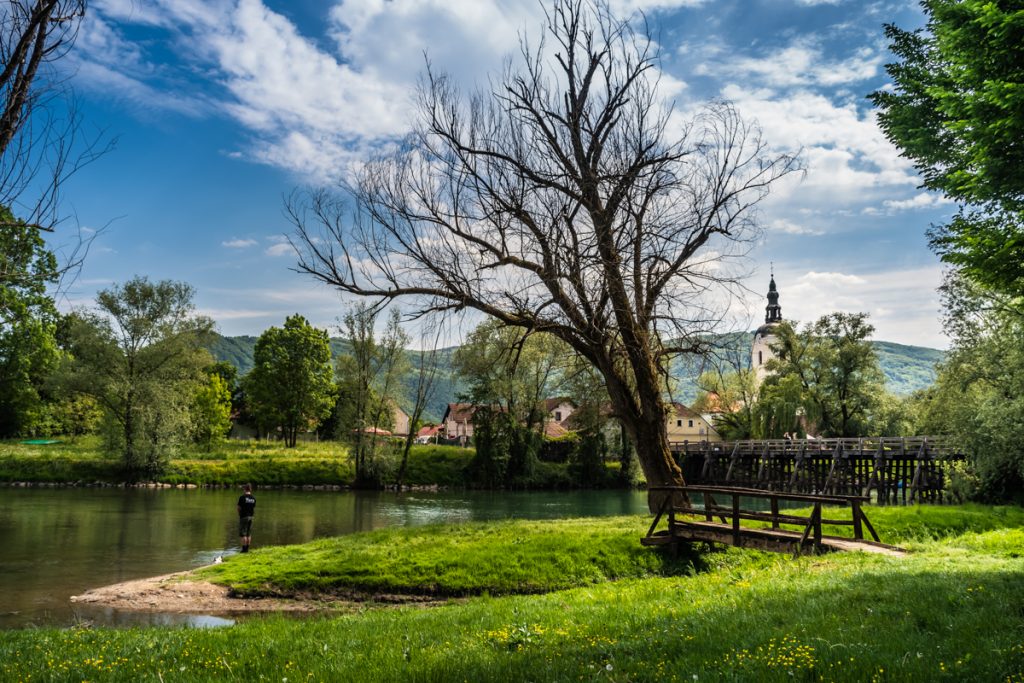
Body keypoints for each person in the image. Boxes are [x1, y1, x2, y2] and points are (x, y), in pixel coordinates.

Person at [237, 484, 256, 552]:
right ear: (250, 489)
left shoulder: (242, 497)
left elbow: (239, 508)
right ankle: (247, 549)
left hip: (244, 517)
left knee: (243, 533)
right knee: (249, 533)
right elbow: (253, 508)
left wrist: (239, 515)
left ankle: (244, 549)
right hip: (251, 517)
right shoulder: (253, 498)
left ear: (245, 489)